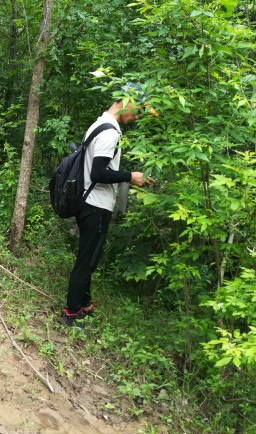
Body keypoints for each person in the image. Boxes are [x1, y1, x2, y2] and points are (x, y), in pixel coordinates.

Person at [61, 83, 158, 328]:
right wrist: (130, 176)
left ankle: (84, 303)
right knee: (86, 261)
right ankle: (71, 313)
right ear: (127, 101)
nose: (138, 116)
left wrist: (129, 177)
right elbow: (98, 173)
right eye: (139, 110)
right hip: (95, 205)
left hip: (90, 202)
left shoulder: (100, 124)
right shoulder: (109, 132)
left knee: (90, 258)